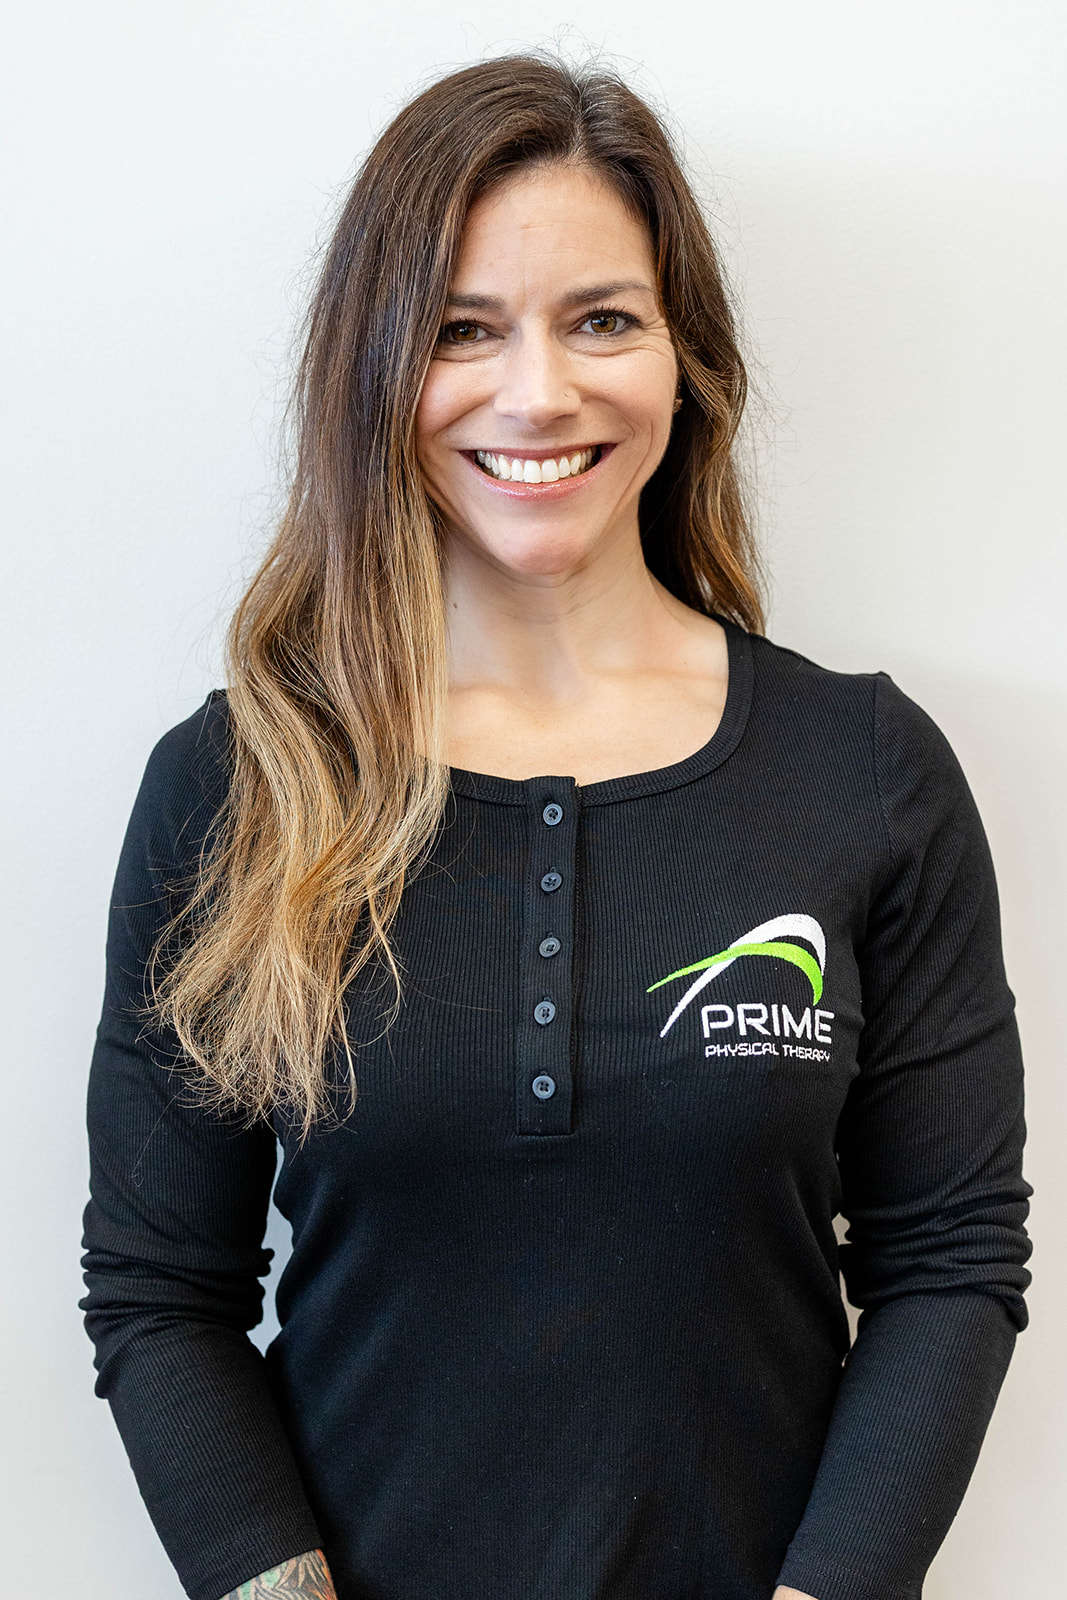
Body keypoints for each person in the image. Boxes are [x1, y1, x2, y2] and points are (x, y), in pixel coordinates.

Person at [80, 52, 1032, 1600]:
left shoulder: (863, 769)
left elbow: (949, 1258)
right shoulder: (241, 782)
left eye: (602, 319)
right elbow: (158, 1289)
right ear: (374, 370)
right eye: (463, 329)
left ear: (685, 358)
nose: (538, 392)